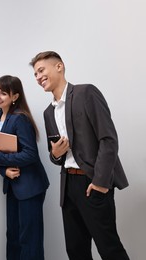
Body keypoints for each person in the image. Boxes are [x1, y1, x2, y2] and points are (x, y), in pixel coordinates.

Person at [30, 51, 129, 260]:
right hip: (68, 186)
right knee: (76, 251)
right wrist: (55, 154)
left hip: (92, 182)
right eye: (35, 74)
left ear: (59, 66)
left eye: (41, 70)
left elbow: (108, 139)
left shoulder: (86, 93)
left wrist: (101, 182)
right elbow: (56, 155)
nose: (38, 77)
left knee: (109, 248)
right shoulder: (49, 112)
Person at [0, 75, 49, 260]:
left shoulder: (20, 119)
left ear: (15, 97)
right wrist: (4, 170)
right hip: (13, 185)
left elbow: (30, 154)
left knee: (29, 239)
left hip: (30, 187)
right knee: (13, 237)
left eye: (3, 93)